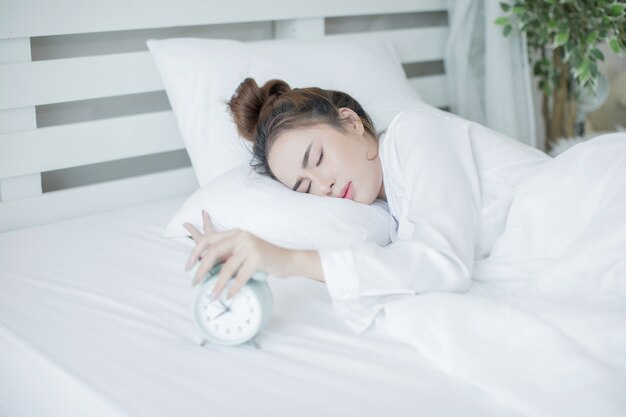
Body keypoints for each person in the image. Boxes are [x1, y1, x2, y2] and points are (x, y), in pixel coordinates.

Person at [183, 77, 551, 333]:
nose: (323, 185)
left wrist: (287, 259)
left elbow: (444, 263)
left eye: (319, 156)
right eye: (304, 186)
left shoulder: (415, 132)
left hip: (573, 204)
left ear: (351, 122)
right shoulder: (384, 216)